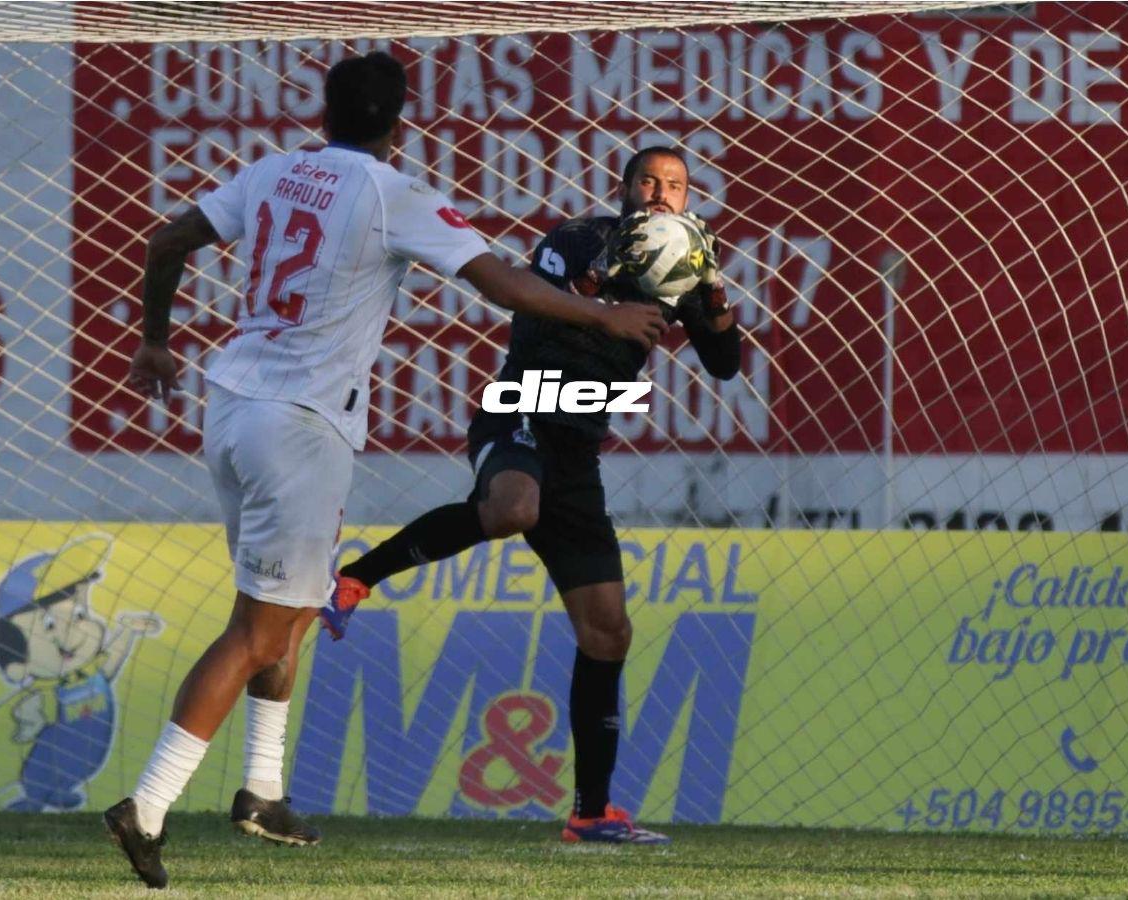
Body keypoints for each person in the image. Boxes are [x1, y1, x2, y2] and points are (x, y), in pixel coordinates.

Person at [106, 51, 666, 889]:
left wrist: (154, 339)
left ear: (323, 113)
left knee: (282, 605)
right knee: (259, 631)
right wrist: (605, 313)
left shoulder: (271, 171)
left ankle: (262, 789)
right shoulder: (391, 192)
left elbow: (169, 240)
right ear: (400, 124)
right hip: (300, 426)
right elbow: (504, 284)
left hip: (229, 408)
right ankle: (147, 805)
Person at [325, 145, 741, 844]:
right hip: (521, 407)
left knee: (608, 630)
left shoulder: (686, 269)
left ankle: (591, 812)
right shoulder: (578, 240)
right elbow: (534, 317)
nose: (661, 193)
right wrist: (602, 294)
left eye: (675, 185)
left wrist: (715, 299)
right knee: (515, 507)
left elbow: (725, 365)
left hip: (577, 453)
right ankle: (355, 580)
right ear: (625, 188)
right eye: (648, 180)